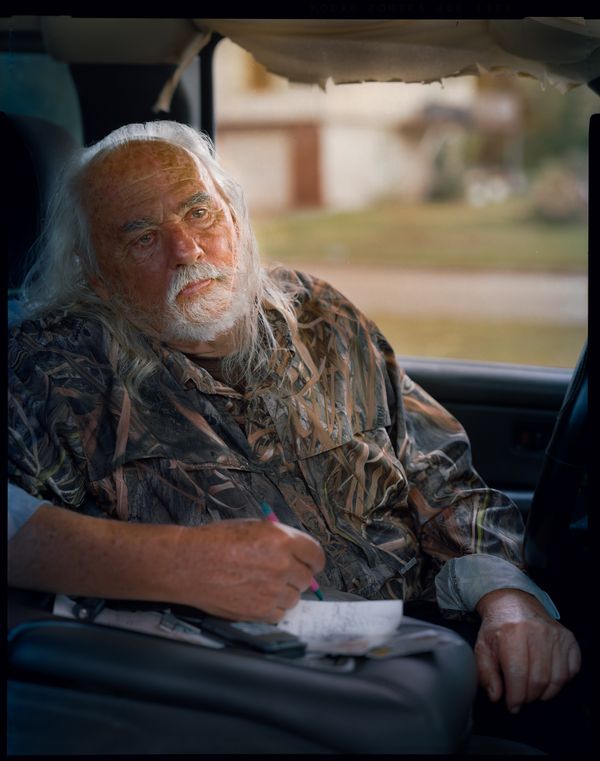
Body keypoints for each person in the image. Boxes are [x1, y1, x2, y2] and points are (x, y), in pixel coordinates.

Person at [8, 120, 580, 720]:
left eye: (200, 213)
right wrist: (177, 563)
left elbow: (439, 477)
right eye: (144, 237)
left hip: (427, 645)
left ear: (235, 217)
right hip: (246, 694)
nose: (187, 250)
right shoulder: (50, 372)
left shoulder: (319, 316)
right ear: (96, 273)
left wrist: (507, 600)